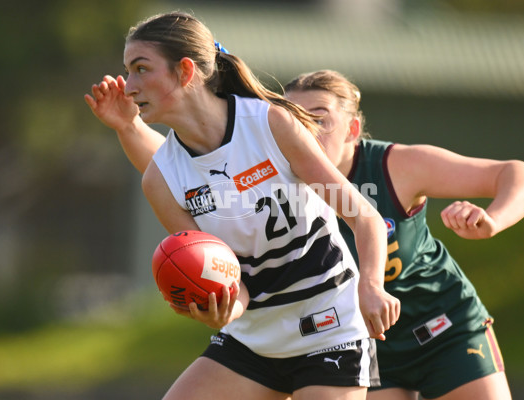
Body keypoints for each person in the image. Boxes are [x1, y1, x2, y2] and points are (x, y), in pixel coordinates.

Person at [89, 64, 524, 399]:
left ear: (353, 128)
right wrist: (129, 126)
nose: (308, 124)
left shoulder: (394, 166)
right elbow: (176, 173)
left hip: (440, 327)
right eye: (297, 113)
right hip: (360, 339)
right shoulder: (277, 167)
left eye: (322, 116)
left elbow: (520, 173)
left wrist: (494, 220)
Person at [85, 12, 401, 400]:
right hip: (252, 340)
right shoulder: (160, 179)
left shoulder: (271, 124)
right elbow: (228, 280)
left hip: (329, 326)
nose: (129, 86)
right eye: (127, 71)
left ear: (185, 71)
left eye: (141, 69)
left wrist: (371, 286)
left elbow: (361, 214)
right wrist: (223, 308)